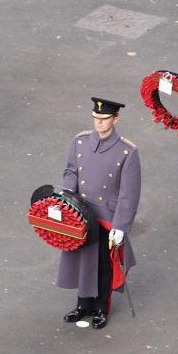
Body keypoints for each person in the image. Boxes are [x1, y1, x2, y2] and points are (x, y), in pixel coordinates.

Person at [58, 98, 141, 330]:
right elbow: (71, 170)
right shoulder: (80, 141)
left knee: (104, 265)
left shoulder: (128, 151)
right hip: (81, 212)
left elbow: (129, 194)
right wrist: (65, 194)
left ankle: (101, 308)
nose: (99, 123)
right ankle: (83, 304)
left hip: (107, 218)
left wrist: (121, 226)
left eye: (104, 119)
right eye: (96, 118)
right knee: (82, 260)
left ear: (115, 119)